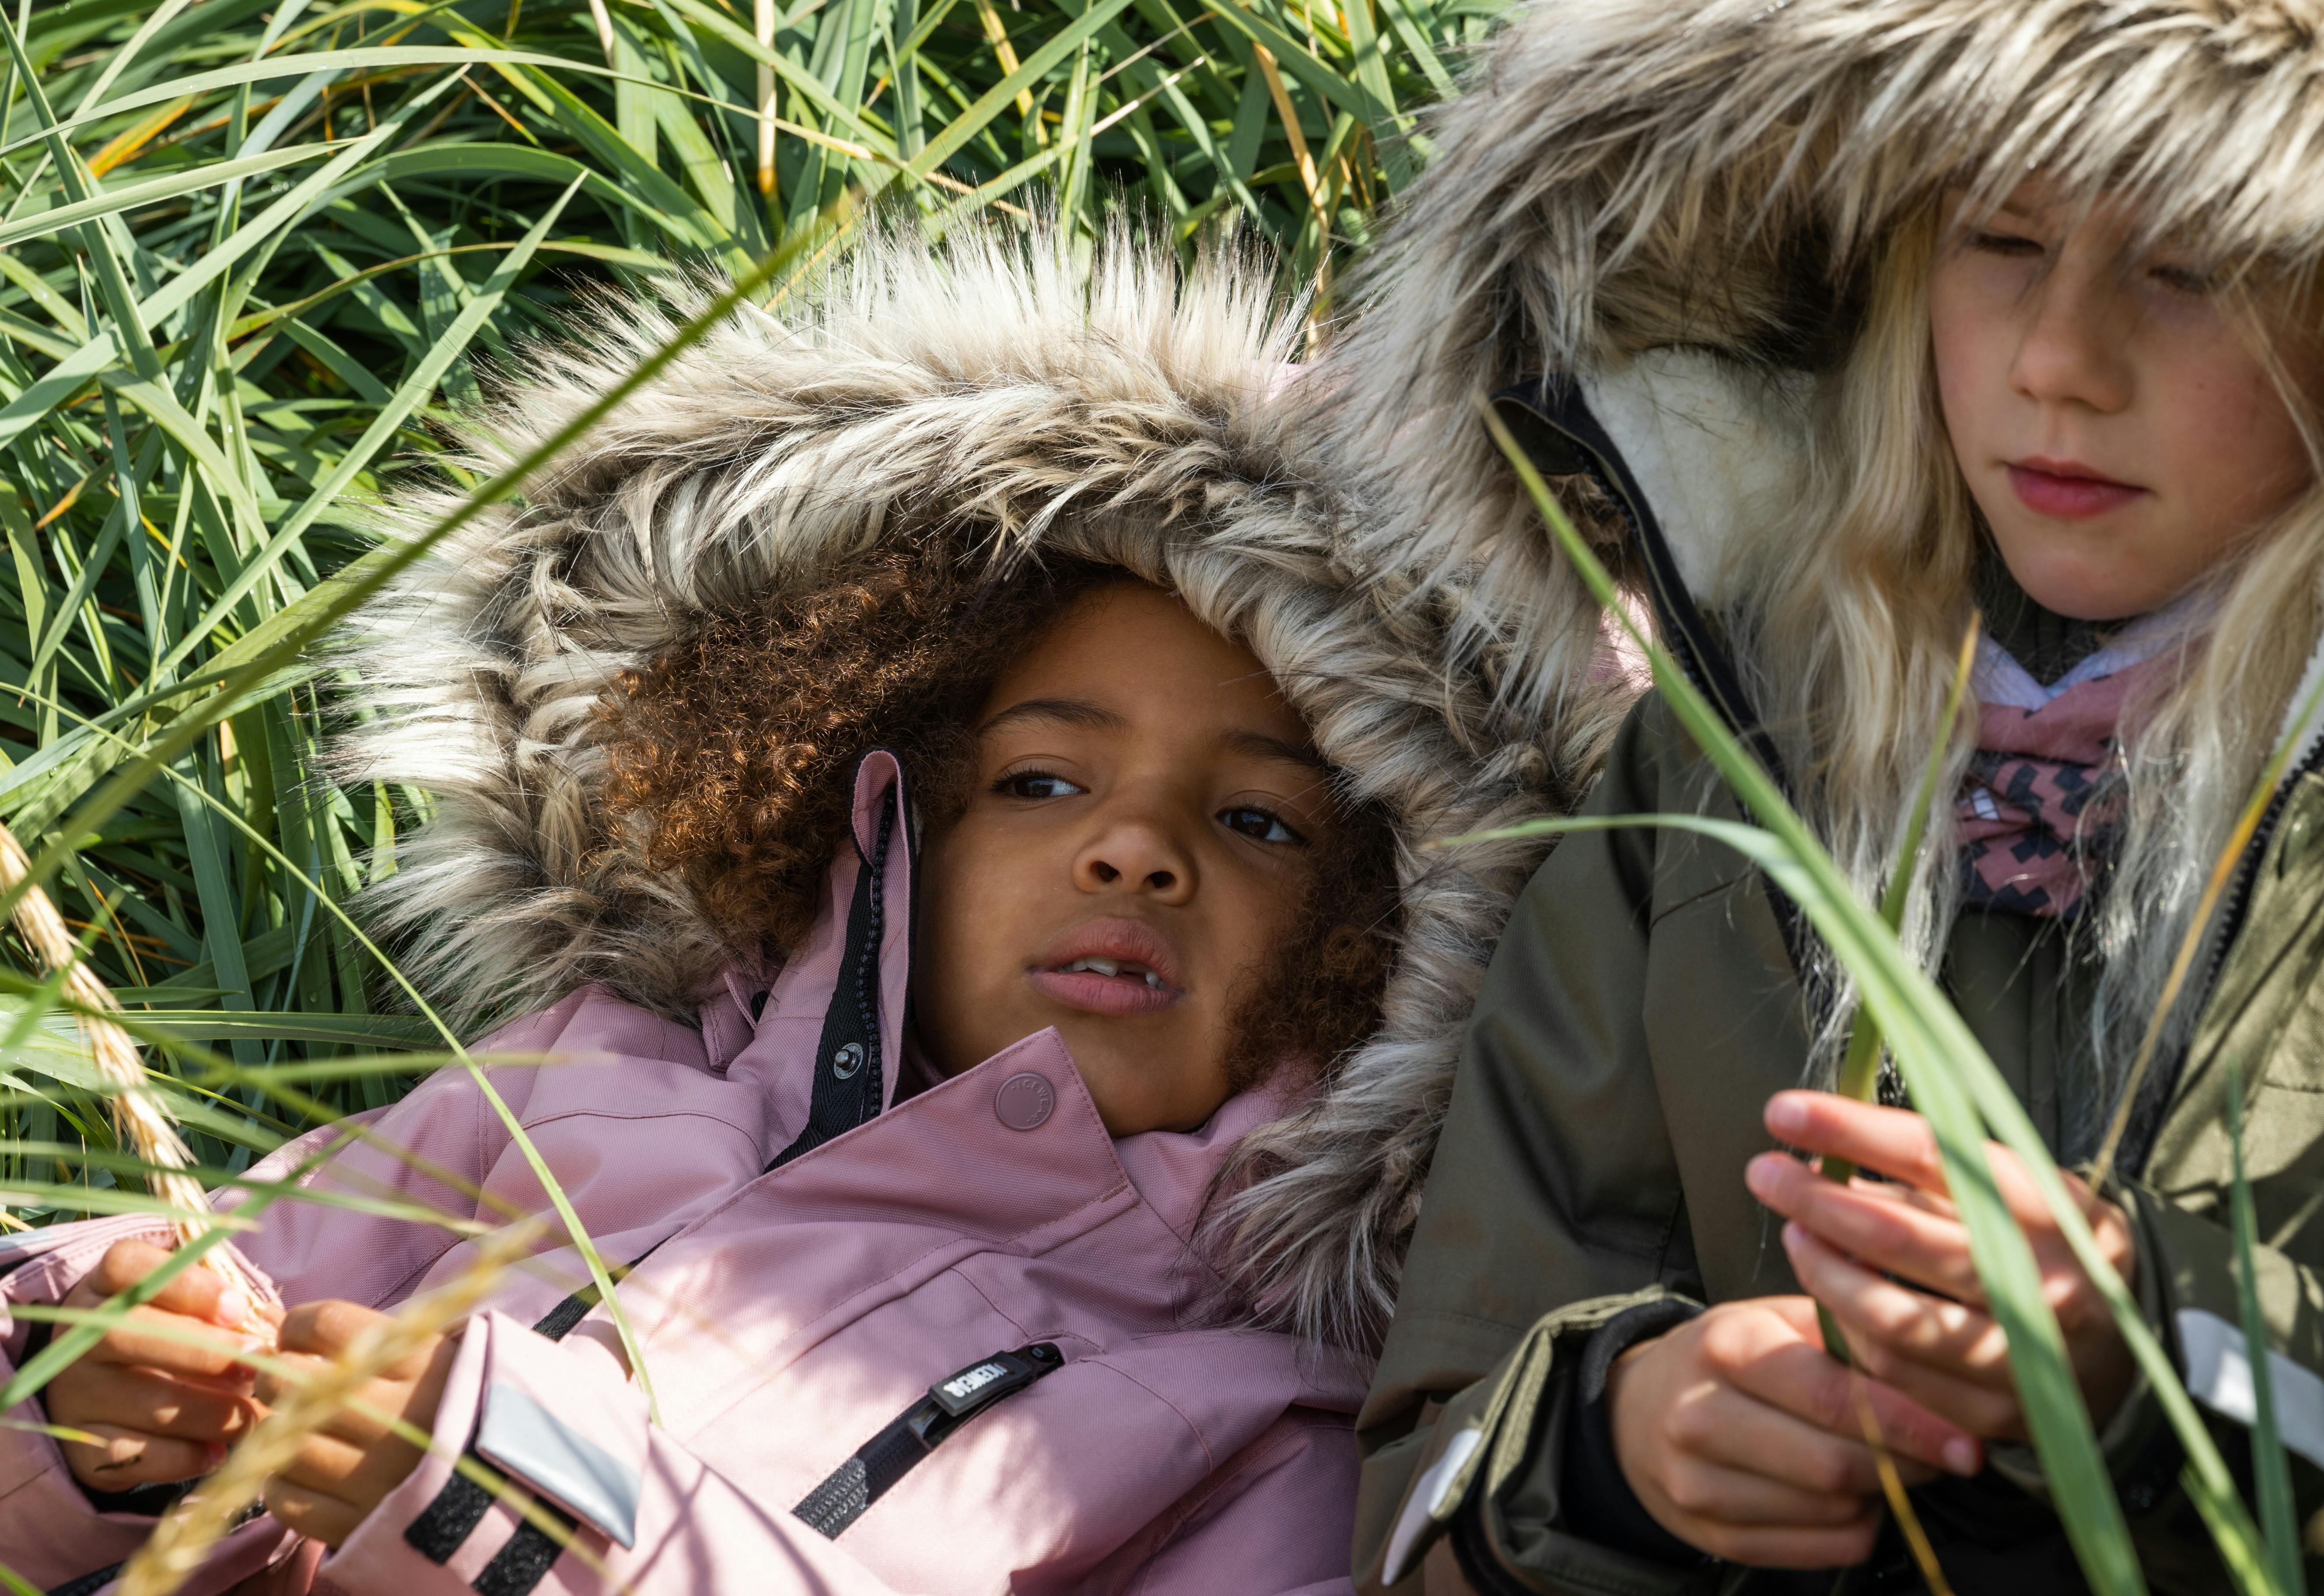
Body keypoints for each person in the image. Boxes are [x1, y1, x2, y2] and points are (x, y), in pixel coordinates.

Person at [0, 227, 1567, 1596]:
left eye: (1256, 821)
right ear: (892, 812)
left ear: (1393, 937)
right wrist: (95, 1409)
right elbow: (196, 1300)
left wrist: (538, 1520)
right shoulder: (566, 1083)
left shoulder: (1268, 1422)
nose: (1133, 852)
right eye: (1038, 783)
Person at [1329, 1, 2324, 1591]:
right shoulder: (1709, 769)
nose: (2059, 363)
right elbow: (1431, 1469)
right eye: (2001, 241)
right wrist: (1620, 1448)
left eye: (2193, 262)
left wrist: (2157, 1351)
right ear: (1896, 272)